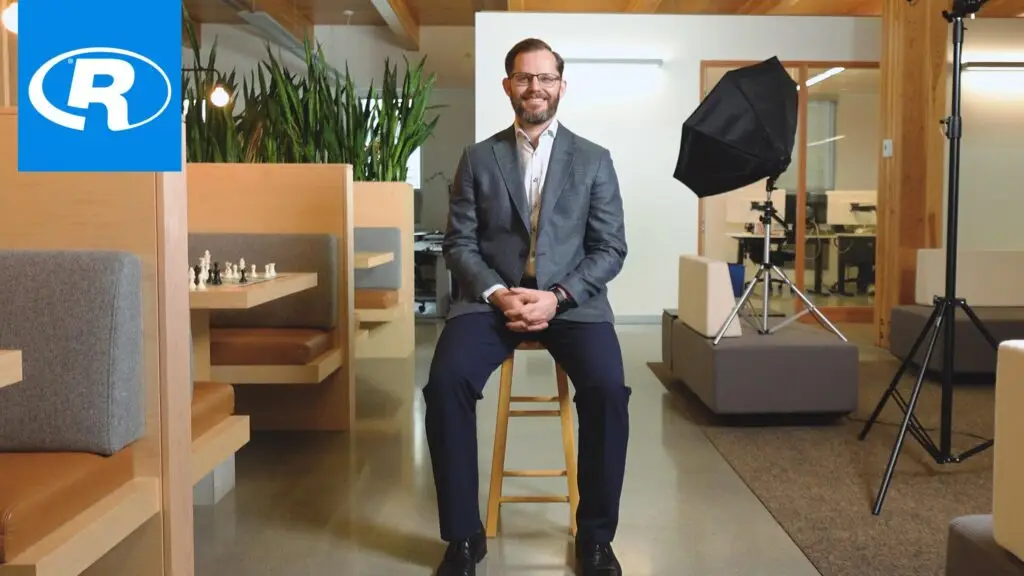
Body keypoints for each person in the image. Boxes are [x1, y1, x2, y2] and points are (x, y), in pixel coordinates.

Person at [423, 37, 630, 576]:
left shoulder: (594, 160)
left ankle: (596, 539)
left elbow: (610, 249)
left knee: (608, 390)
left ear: (562, 84)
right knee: (444, 385)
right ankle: (464, 537)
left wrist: (557, 297)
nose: (534, 86)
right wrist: (497, 292)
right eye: (524, 77)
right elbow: (459, 244)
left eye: (545, 77)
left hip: (571, 303)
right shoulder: (478, 157)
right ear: (508, 85)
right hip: (491, 301)